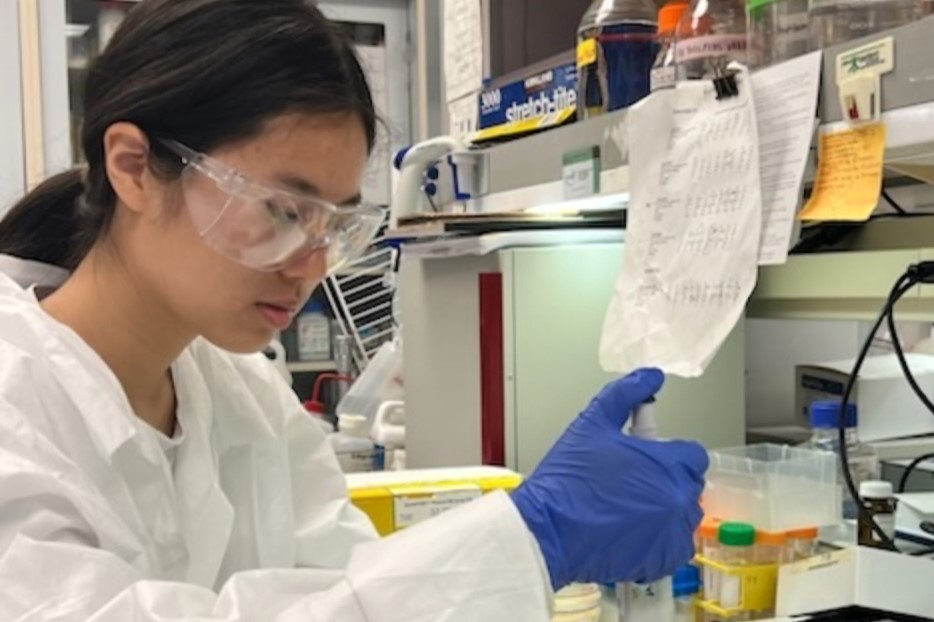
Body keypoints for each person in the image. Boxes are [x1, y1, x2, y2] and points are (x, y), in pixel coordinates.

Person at [0, 1, 708, 619]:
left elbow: (347, 591)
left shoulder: (240, 393)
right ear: (132, 167)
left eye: (334, 226)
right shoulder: (15, 406)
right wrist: (531, 535)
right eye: (281, 210)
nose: (314, 266)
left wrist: (520, 549)